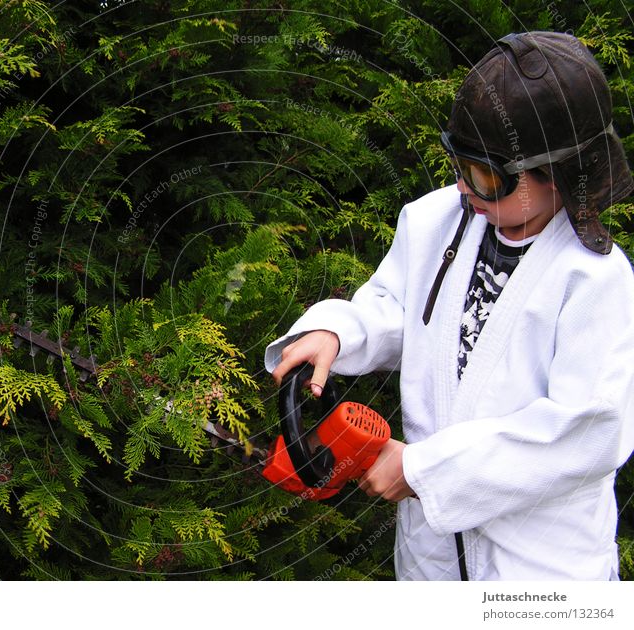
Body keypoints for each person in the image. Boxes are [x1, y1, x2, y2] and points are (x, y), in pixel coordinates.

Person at [265, 31, 634, 580]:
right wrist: (336, 333)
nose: (465, 188)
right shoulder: (436, 220)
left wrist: (425, 471)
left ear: (562, 172)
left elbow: (586, 429)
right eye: (460, 164)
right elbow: (393, 306)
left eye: (485, 175)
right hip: (431, 557)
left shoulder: (594, 280)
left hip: (540, 569)